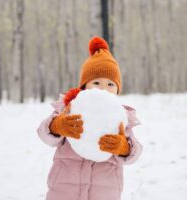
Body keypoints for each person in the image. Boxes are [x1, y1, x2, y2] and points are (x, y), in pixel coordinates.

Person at [37, 36, 142, 200]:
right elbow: (45, 136)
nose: (103, 89)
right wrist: (57, 126)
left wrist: (123, 148)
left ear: (117, 90)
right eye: (97, 83)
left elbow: (134, 153)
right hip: (64, 191)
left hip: (104, 193)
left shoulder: (120, 118)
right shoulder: (70, 109)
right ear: (85, 86)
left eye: (110, 84)